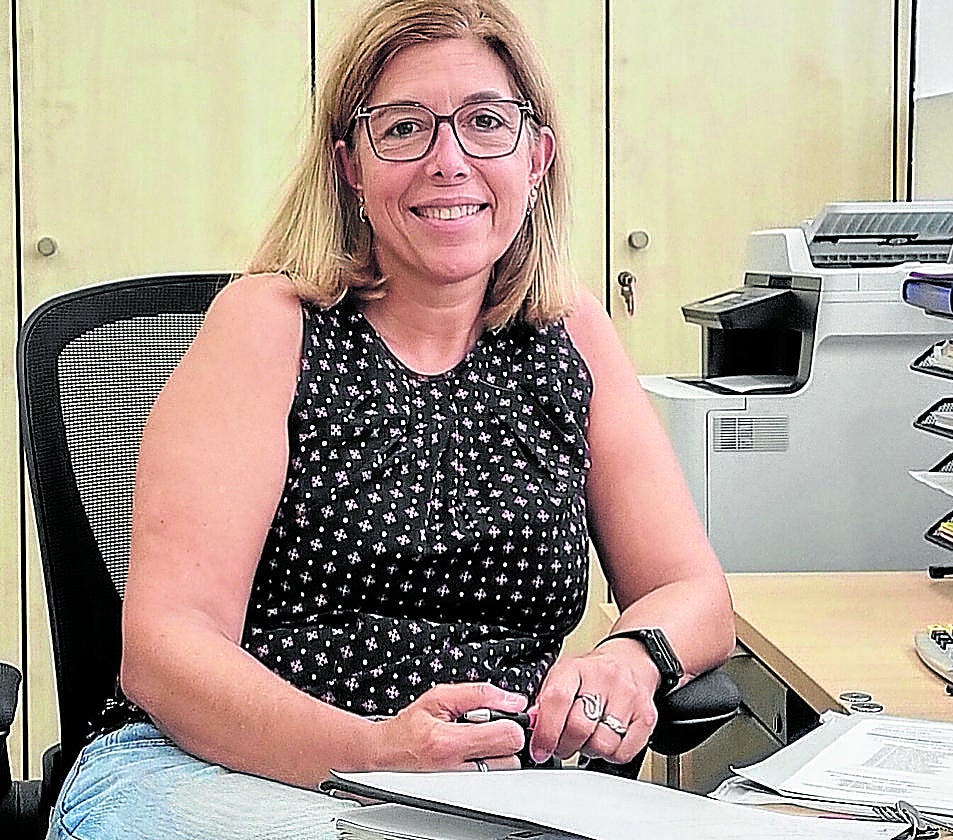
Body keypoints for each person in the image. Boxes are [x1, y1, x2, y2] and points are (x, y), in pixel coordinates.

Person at [46, 0, 734, 837]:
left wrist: (632, 655)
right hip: (224, 770)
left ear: (537, 156)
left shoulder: (570, 334)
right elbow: (165, 649)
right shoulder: (269, 323)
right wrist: (373, 753)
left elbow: (691, 591)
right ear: (350, 166)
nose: (450, 161)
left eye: (486, 122)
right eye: (404, 128)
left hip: (496, 792)